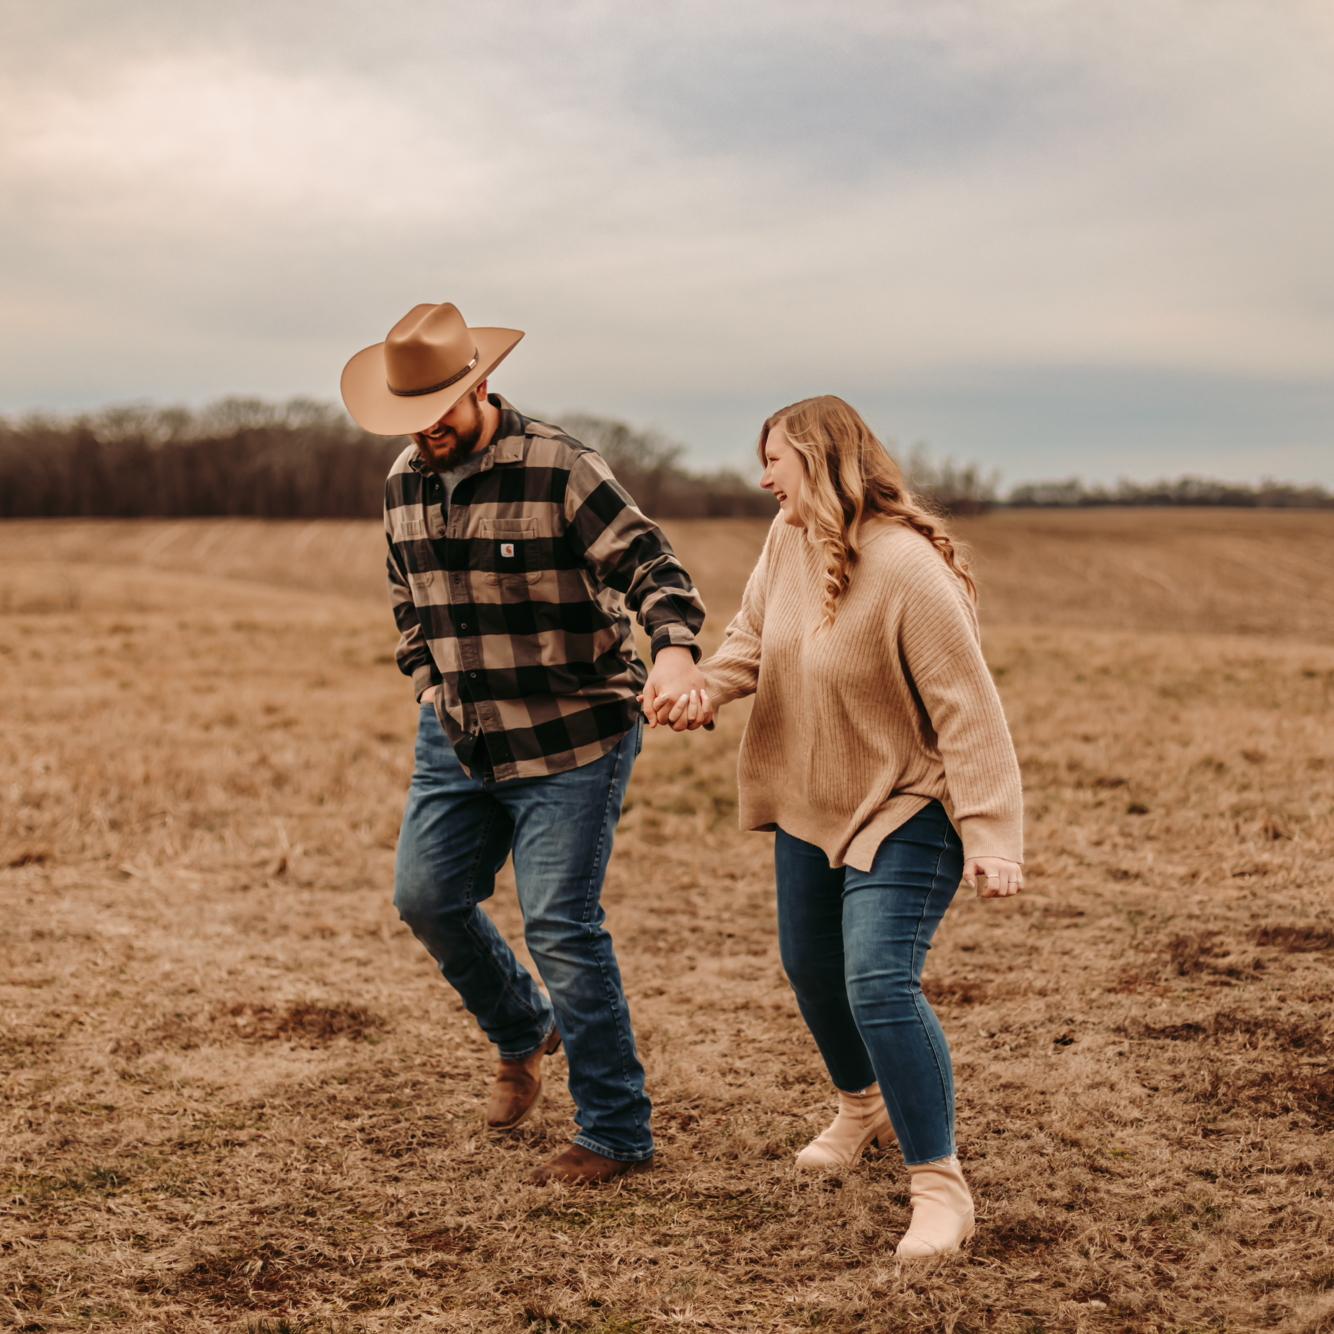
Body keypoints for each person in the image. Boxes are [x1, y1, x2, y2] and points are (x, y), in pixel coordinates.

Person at [340, 301, 709, 1184]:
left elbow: (654, 568)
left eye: (439, 408)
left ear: (480, 386)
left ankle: (616, 1131)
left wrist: (674, 651)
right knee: (426, 898)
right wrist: (428, 681)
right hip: (459, 733)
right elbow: (407, 600)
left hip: (572, 738)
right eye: (410, 416)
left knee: (561, 926)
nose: (426, 429)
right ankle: (522, 1028)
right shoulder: (403, 482)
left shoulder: (559, 467)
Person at [654, 395, 1023, 1256]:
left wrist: (992, 836)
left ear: (820, 459)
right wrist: (704, 689)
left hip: (906, 803)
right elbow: (753, 639)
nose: (764, 478)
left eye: (774, 459)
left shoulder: (908, 569)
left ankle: (939, 1185)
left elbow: (969, 711)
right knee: (813, 970)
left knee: (878, 982)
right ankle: (862, 1109)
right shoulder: (788, 541)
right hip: (810, 799)